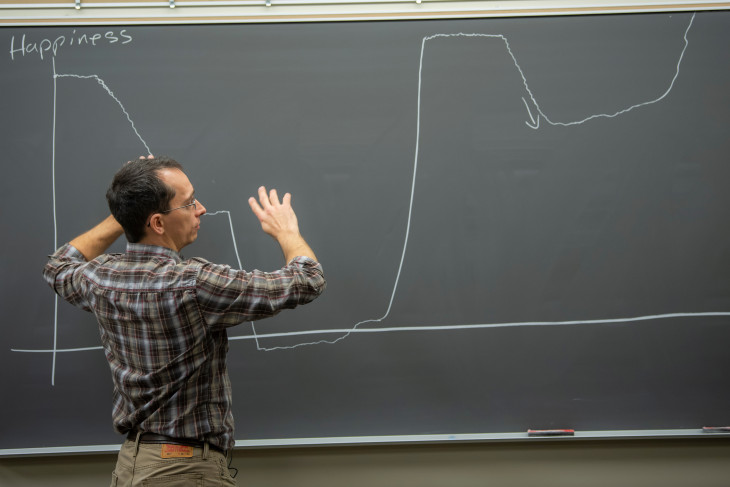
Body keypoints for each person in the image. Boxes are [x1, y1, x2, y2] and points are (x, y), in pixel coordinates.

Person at [42, 156, 325, 486]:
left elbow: (58, 265)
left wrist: (127, 211)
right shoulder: (194, 283)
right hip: (184, 472)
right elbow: (307, 279)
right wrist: (287, 231)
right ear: (158, 223)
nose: (200, 208)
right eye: (189, 203)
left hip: (131, 468)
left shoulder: (101, 277)